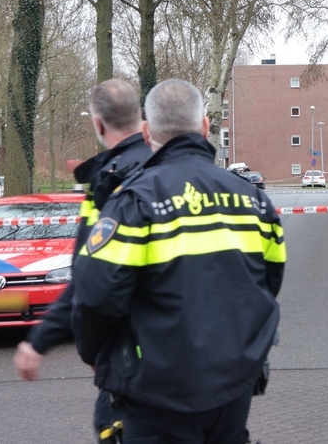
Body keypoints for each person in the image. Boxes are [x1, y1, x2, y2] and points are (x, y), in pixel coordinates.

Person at [72, 79, 285, 444]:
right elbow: (269, 280)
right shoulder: (253, 200)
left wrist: (95, 353)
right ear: (204, 127)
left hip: (156, 391)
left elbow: (95, 297)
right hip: (234, 385)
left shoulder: (134, 202)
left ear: (145, 132)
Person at [13, 79, 151, 443]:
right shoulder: (167, 172)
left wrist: (43, 341)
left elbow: (89, 284)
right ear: (141, 119)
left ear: (98, 123)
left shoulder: (108, 184)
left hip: (130, 368)